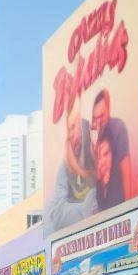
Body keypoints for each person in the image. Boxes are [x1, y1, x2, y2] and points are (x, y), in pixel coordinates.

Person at [44, 101, 97, 236]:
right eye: (71, 130)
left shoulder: (99, 159)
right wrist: (84, 209)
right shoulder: (65, 167)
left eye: (77, 129)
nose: (73, 136)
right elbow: (55, 214)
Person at [90, 89, 132, 208]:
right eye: (95, 118)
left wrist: (129, 208)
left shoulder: (117, 127)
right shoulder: (95, 138)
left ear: (108, 110)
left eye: (101, 116)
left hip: (119, 206)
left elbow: (126, 170)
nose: (98, 122)